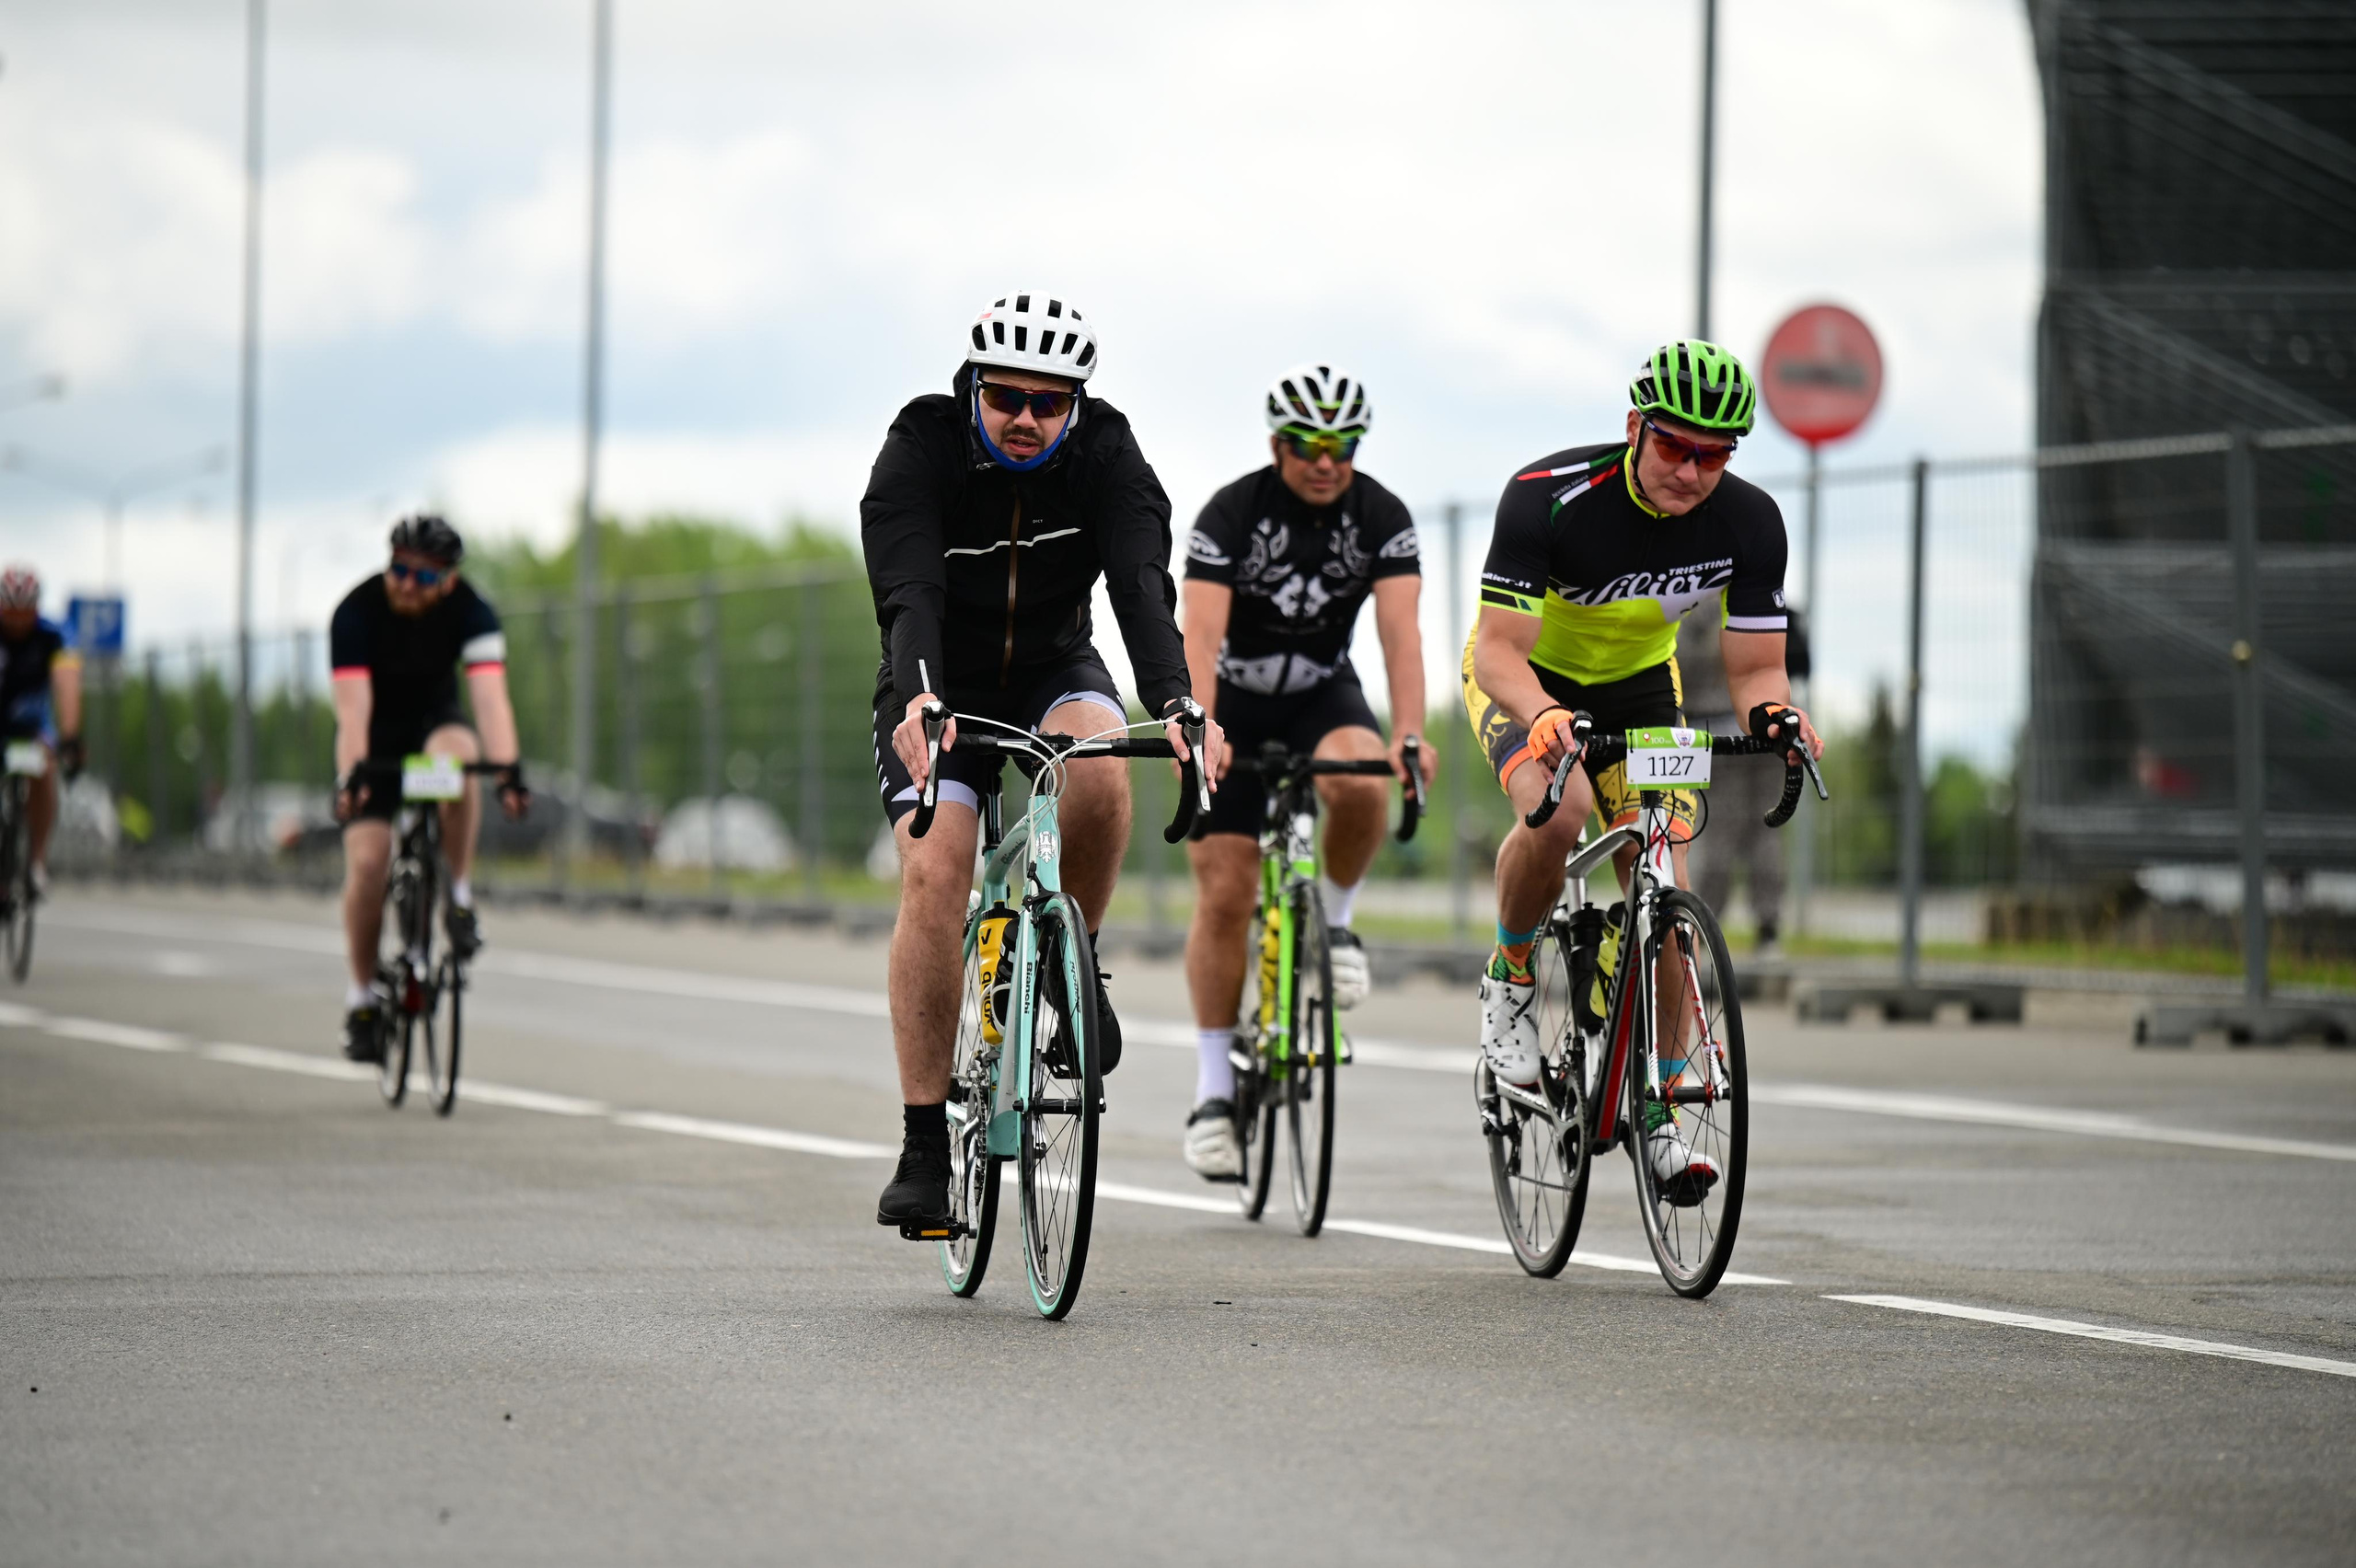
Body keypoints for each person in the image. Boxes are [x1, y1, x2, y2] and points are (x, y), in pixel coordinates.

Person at [862, 291, 1224, 1233]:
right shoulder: (921, 446)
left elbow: (1144, 592)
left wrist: (1180, 704)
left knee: (1101, 771)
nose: (1027, 419)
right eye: (1008, 398)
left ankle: (1075, 962)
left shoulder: (1108, 454)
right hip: (939, 679)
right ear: (974, 388)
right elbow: (909, 594)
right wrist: (921, 696)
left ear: (1077, 405)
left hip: (1055, 667)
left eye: (1049, 403)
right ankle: (921, 1144)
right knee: (937, 867)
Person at [1464, 340, 1819, 1202]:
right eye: (1675, 447)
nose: (1693, 470)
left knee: (1665, 879)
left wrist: (1774, 716)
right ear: (1635, 428)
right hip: (1526, 678)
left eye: (1716, 454)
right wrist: (1544, 714)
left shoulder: (1751, 521)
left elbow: (1756, 670)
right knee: (1560, 809)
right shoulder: (1549, 498)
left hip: (1637, 691)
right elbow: (1501, 652)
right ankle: (1511, 982)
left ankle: (1660, 1109)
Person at [1174, 363, 1433, 1181]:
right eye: (1310, 446)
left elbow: (1401, 636)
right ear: (1277, 444)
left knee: (1363, 777)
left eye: (1344, 446)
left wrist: (1414, 734)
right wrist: (1202, 731)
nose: (1328, 461)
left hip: (1323, 691)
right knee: (1226, 892)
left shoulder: (1382, 515)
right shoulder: (1231, 513)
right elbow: (1199, 637)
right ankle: (1215, 1091)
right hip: (1236, 705)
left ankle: (1339, 920)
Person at [329, 516, 527, 1062]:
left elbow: (489, 700)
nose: (408, 586)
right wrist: (353, 776)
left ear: (450, 581)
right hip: (374, 739)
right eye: (399, 571)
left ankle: (458, 896)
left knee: (459, 763)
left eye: (425, 578)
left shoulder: (474, 612)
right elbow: (352, 712)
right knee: (369, 863)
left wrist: (508, 769)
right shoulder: (355, 612)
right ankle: (362, 995)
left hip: (434, 728)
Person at [1676, 602, 1810, 954]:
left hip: (1713, 733)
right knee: (1767, 829)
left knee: (1716, 832)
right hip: (1768, 730)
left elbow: (1677, 671)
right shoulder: (1756, 600)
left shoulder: (1691, 608)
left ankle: (1704, 929)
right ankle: (1769, 928)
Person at [0, 565, 84, 892]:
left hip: (31, 728)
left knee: (44, 769)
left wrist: (71, 735)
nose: (19, 623)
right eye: (11, 614)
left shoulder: (54, 634)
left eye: (25, 615)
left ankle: (36, 860)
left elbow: (68, 684)